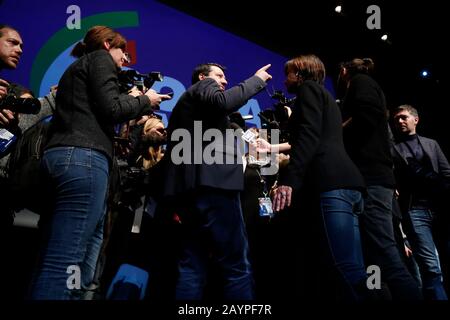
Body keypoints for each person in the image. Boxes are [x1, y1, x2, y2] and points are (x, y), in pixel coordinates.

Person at [28, 25, 170, 300]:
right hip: (83, 159)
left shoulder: (80, 68)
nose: (124, 61)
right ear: (107, 45)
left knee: (77, 259)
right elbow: (112, 110)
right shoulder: (100, 59)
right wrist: (144, 100)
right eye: (123, 53)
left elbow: (100, 109)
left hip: (71, 157)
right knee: (65, 261)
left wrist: (130, 101)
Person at [162, 62, 272, 300]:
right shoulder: (204, 87)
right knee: (236, 265)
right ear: (203, 77)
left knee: (192, 265)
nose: (223, 81)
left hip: (190, 192)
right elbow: (223, 101)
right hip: (215, 189)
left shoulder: (194, 108)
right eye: (219, 76)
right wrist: (257, 79)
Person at [271, 54, 368, 300]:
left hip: (331, 185)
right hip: (349, 187)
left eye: (289, 74)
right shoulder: (325, 96)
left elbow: (309, 137)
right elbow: (316, 134)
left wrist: (289, 181)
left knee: (340, 266)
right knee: (354, 268)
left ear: (300, 74)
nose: (285, 81)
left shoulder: (308, 90)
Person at [338, 58, 422, 300]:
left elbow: (366, 118)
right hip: (374, 180)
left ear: (344, 71)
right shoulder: (367, 85)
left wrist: (336, 132)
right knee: (377, 258)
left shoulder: (361, 82)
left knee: (386, 256)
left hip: (374, 180)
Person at [391, 104, 450, 300]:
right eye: (396, 118)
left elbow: (446, 172)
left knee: (440, 262)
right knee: (430, 266)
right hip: (414, 210)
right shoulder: (394, 149)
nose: (399, 120)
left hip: (438, 208)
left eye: (404, 117)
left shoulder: (431, 144)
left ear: (415, 119)